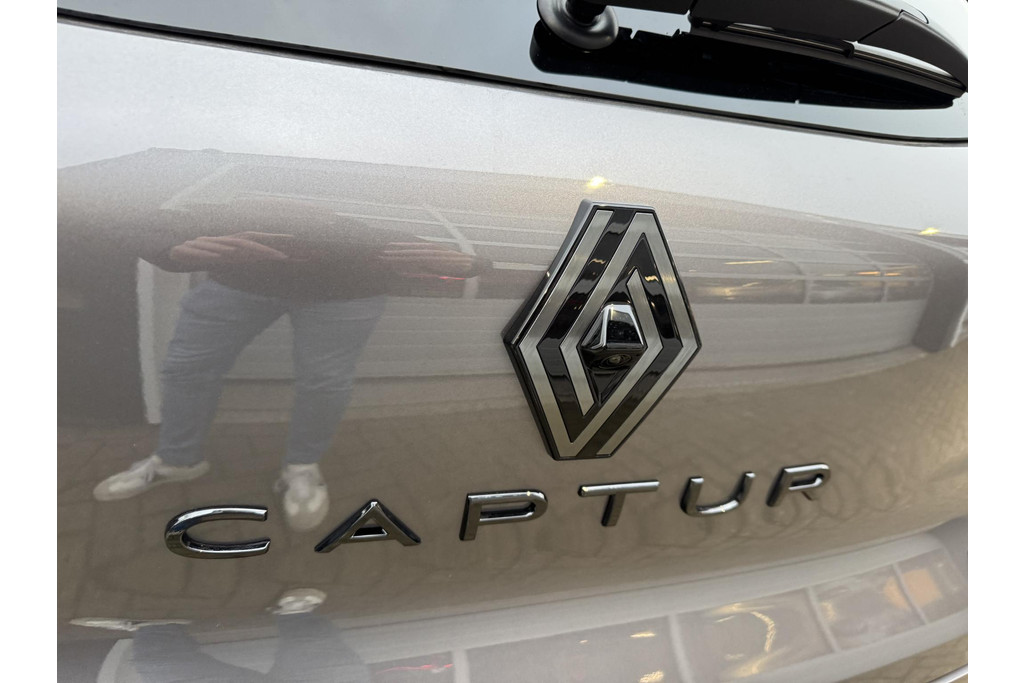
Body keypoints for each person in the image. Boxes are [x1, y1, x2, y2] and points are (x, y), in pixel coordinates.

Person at [93, 198, 488, 530]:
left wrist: (472, 263)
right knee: (187, 368)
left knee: (325, 380)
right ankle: (176, 460)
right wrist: (167, 248)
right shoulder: (230, 193)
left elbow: (426, 247)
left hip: (346, 294)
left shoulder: (369, 204)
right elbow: (134, 221)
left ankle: (301, 466)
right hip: (237, 283)